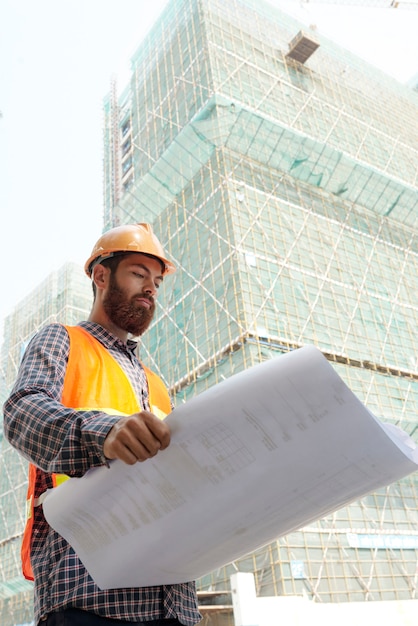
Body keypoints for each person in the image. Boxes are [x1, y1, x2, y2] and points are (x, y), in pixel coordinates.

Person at [3, 223, 202, 626]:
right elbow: (22, 412)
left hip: (172, 598)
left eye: (157, 282)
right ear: (100, 275)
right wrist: (105, 433)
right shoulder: (63, 340)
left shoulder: (157, 386)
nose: (150, 288)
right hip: (90, 595)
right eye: (138, 274)